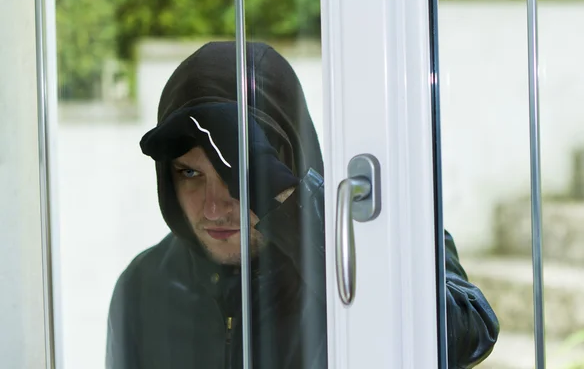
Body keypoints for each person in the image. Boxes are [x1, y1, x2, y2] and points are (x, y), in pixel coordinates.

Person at [106, 41, 499, 369]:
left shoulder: (371, 242)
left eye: (239, 175)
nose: (214, 208)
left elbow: (467, 336)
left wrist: (286, 203)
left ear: (289, 161)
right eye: (190, 174)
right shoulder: (143, 286)